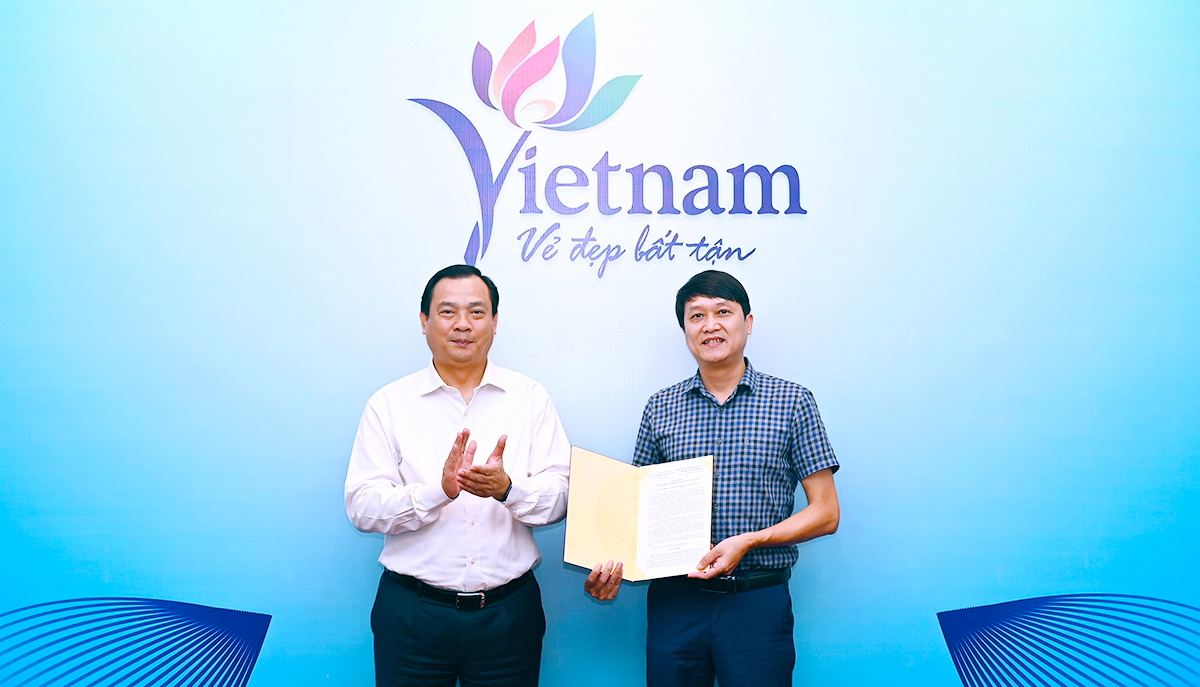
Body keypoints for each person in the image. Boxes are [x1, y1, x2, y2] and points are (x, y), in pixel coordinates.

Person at [584, 269, 840, 687]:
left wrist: (750, 540)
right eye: (697, 315)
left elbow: (827, 513)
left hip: (756, 602)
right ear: (685, 330)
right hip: (675, 603)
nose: (710, 325)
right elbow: (635, 514)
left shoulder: (793, 401)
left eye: (723, 312)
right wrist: (611, 568)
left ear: (747, 323)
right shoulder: (660, 407)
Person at [346, 264, 570, 687]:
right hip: (413, 615)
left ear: (495, 322)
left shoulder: (530, 398)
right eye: (448, 312)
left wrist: (508, 490)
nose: (463, 324)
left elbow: (561, 496)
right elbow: (362, 506)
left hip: (508, 616)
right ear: (424, 321)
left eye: (476, 312)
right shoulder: (389, 404)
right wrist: (437, 492)